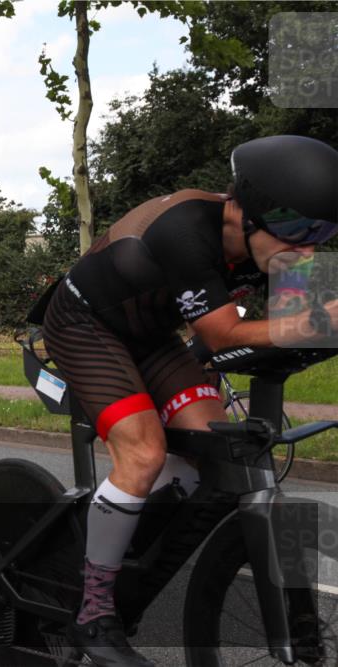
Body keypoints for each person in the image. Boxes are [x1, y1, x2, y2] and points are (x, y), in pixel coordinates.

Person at [40, 135, 338, 667]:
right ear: (246, 212)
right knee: (144, 451)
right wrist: (314, 321)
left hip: (152, 335)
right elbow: (226, 334)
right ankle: (93, 612)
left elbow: (289, 326)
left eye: (324, 233)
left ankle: (123, 532)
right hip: (84, 324)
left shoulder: (277, 247)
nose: (309, 249)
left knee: (214, 448)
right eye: (298, 230)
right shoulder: (186, 231)